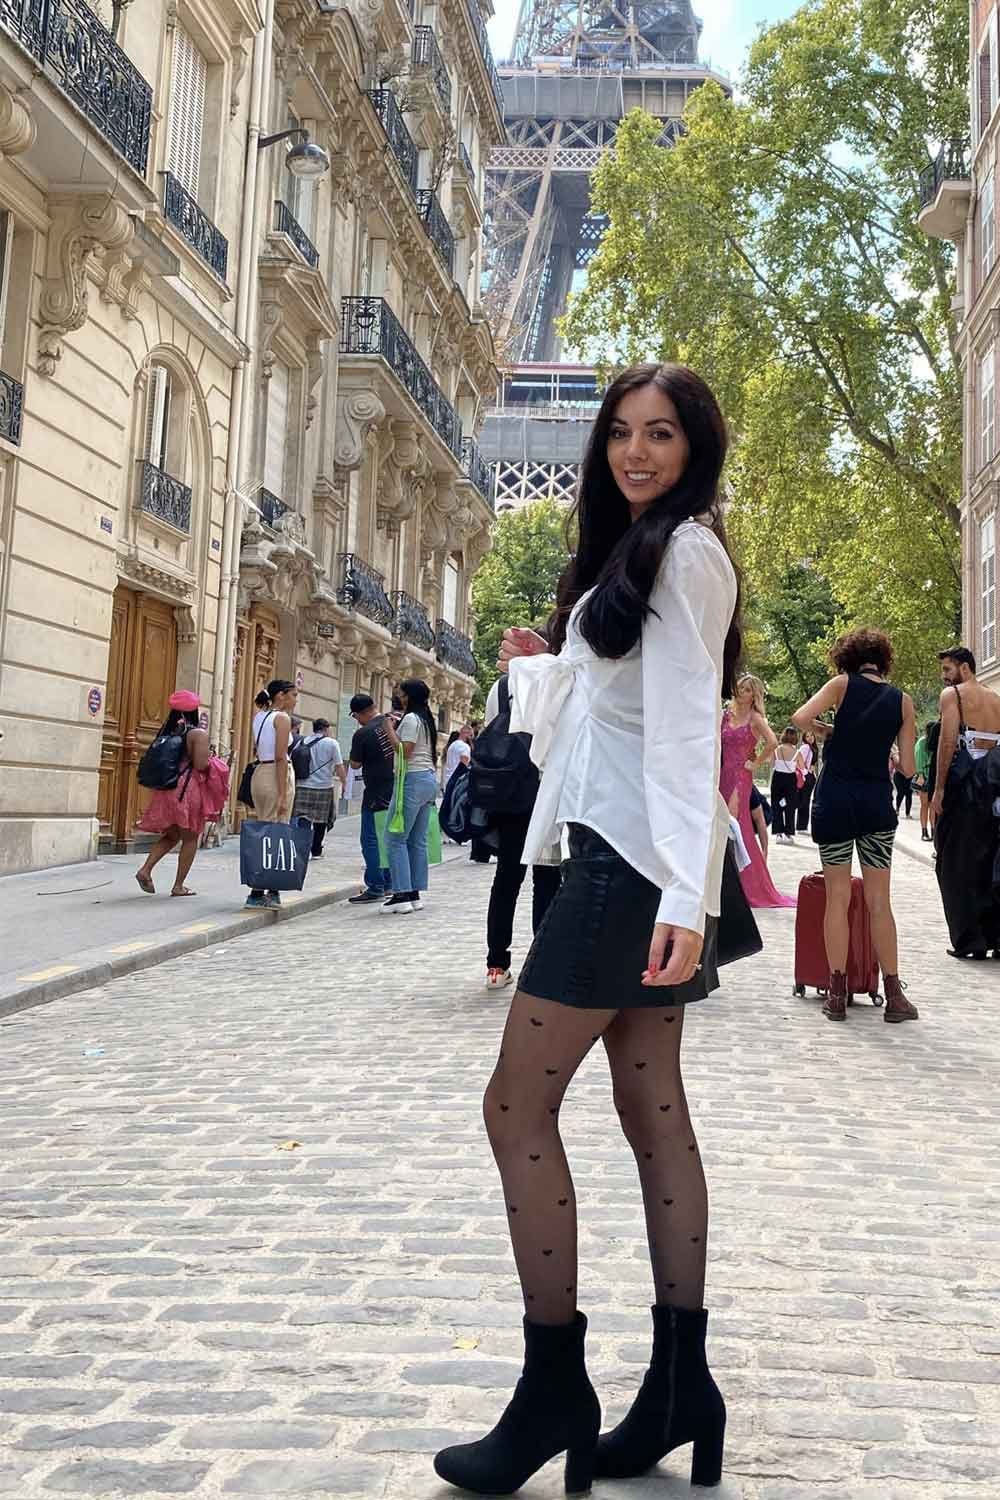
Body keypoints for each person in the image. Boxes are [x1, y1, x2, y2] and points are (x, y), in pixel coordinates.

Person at [434, 363, 751, 1498]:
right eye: (620, 431)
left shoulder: (685, 553)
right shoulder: (637, 552)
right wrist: (547, 666)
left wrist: (681, 901)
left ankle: (553, 1387)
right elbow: (607, 717)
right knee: (649, 1104)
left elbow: (684, 731)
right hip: (625, 854)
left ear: (695, 446)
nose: (634, 452)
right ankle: (677, 1389)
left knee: (514, 1105)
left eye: (660, 433)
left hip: (630, 868)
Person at [791, 628, 918, 1023]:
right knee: (879, 902)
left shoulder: (841, 685)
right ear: (883, 661)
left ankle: (836, 993)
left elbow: (800, 717)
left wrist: (827, 731)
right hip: (875, 807)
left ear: (848, 658)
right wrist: (888, 751)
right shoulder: (902, 701)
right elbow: (909, 768)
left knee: (837, 898)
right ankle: (894, 996)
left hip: (834, 803)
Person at [478, 677, 562, 990]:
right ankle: (543, 963)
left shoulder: (501, 687)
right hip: (547, 793)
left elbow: (491, 733)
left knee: (506, 881)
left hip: (509, 793)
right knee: (547, 880)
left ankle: (496, 965)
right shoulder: (559, 678)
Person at [932, 647, 1000, 958]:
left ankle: (970, 940)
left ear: (965, 668)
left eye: (948, 669)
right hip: (992, 784)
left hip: (965, 787)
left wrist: (939, 789)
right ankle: (994, 936)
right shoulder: (996, 699)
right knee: (989, 861)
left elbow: (948, 742)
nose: (944, 676)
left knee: (955, 863)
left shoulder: (953, 696)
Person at [720, 676, 796, 908]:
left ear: (754, 695)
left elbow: (772, 742)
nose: (740, 692)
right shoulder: (725, 715)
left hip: (740, 776)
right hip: (721, 774)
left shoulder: (755, 718)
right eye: (739, 688)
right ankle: (725, 882)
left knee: (733, 824)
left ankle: (744, 885)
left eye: (746, 689)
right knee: (727, 825)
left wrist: (755, 763)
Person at [135, 690, 217, 896]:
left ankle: (145, 870)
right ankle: (178, 885)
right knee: (190, 838)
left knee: (172, 835)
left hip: (167, 788)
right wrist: (211, 759)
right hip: (187, 789)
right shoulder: (197, 734)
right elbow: (201, 765)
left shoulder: (168, 731)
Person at [382, 678, 439, 914]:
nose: (399, 698)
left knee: (394, 838)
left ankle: (401, 895)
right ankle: (414, 894)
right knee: (417, 840)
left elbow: (404, 751)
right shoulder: (426, 720)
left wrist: (389, 729)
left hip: (411, 780)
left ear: (409, 696)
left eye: (402, 694)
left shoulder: (411, 719)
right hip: (428, 779)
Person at [246, 678, 298, 909]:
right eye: (293, 695)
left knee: (265, 830)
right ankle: (265, 891)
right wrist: (282, 794)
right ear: (281, 696)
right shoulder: (282, 718)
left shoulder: (259, 717)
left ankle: (260, 890)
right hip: (276, 774)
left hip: (260, 773)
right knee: (278, 832)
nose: (295, 700)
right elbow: (280, 756)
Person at [346, 694, 395, 903]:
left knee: (371, 840)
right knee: (389, 839)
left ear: (358, 714)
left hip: (376, 792)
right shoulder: (393, 724)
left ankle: (376, 886)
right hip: (396, 788)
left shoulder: (363, 733)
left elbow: (355, 764)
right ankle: (390, 883)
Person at [291, 718, 346, 858]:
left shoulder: (302, 742)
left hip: (303, 785)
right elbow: (339, 766)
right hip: (323, 786)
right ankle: (316, 850)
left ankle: (302, 848)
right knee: (321, 820)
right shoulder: (332, 743)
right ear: (326, 729)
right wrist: (344, 783)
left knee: (303, 818)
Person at [770, 727, 803, 844]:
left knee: (776, 805)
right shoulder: (797, 752)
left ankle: (778, 833)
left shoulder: (776, 750)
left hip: (777, 777)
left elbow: (772, 765)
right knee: (790, 806)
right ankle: (788, 834)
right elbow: (802, 767)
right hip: (790, 779)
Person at [796, 730, 818, 833]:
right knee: (804, 801)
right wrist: (806, 773)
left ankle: (802, 826)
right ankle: (801, 827)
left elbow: (812, 763)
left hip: (810, 776)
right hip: (806, 777)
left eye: (811, 735)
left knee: (805, 801)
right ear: (804, 738)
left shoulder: (813, 748)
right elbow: (797, 760)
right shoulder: (805, 747)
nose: (810, 738)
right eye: (807, 736)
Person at [914, 721, 933, 841]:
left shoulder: (935, 742)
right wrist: (920, 775)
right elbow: (919, 758)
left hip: (933, 776)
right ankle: (924, 831)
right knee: (925, 805)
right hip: (924, 776)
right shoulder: (922, 742)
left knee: (933, 806)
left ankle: (934, 830)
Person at [442, 723, 473, 791]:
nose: (471, 738)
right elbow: (463, 766)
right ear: (466, 734)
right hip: (456, 783)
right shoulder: (465, 747)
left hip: (448, 780)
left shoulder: (452, 745)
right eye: (470, 735)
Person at [892, 745, 913, 818]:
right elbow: (896, 762)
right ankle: (897, 809)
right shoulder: (896, 750)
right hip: (899, 775)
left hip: (909, 774)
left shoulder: (911, 752)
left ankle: (908, 813)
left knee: (909, 794)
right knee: (901, 792)